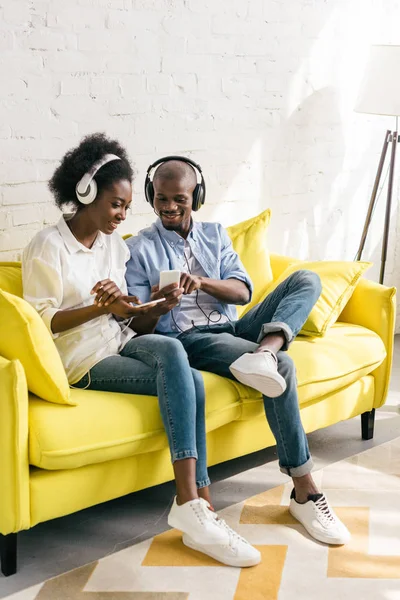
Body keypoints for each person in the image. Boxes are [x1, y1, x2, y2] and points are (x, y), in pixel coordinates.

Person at [21, 134, 260, 569]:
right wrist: (99, 306)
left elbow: (123, 318)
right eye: (116, 204)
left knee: (175, 355)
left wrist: (145, 306)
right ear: (85, 193)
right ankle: (194, 502)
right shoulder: (47, 246)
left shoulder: (115, 246)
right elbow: (41, 322)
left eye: (127, 207)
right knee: (180, 370)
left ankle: (197, 506)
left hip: (119, 341)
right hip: (81, 361)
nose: (123, 215)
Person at [125, 156, 351, 546]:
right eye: (160, 198)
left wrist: (201, 282)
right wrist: (159, 305)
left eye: (178, 197)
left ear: (197, 196)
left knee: (305, 279)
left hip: (232, 324)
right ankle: (305, 490)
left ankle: (266, 347)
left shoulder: (215, 234)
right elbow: (136, 324)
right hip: (189, 338)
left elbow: (243, 291)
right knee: (283, 368)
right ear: (151, 195)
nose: (168, 207)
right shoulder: (139, 249)